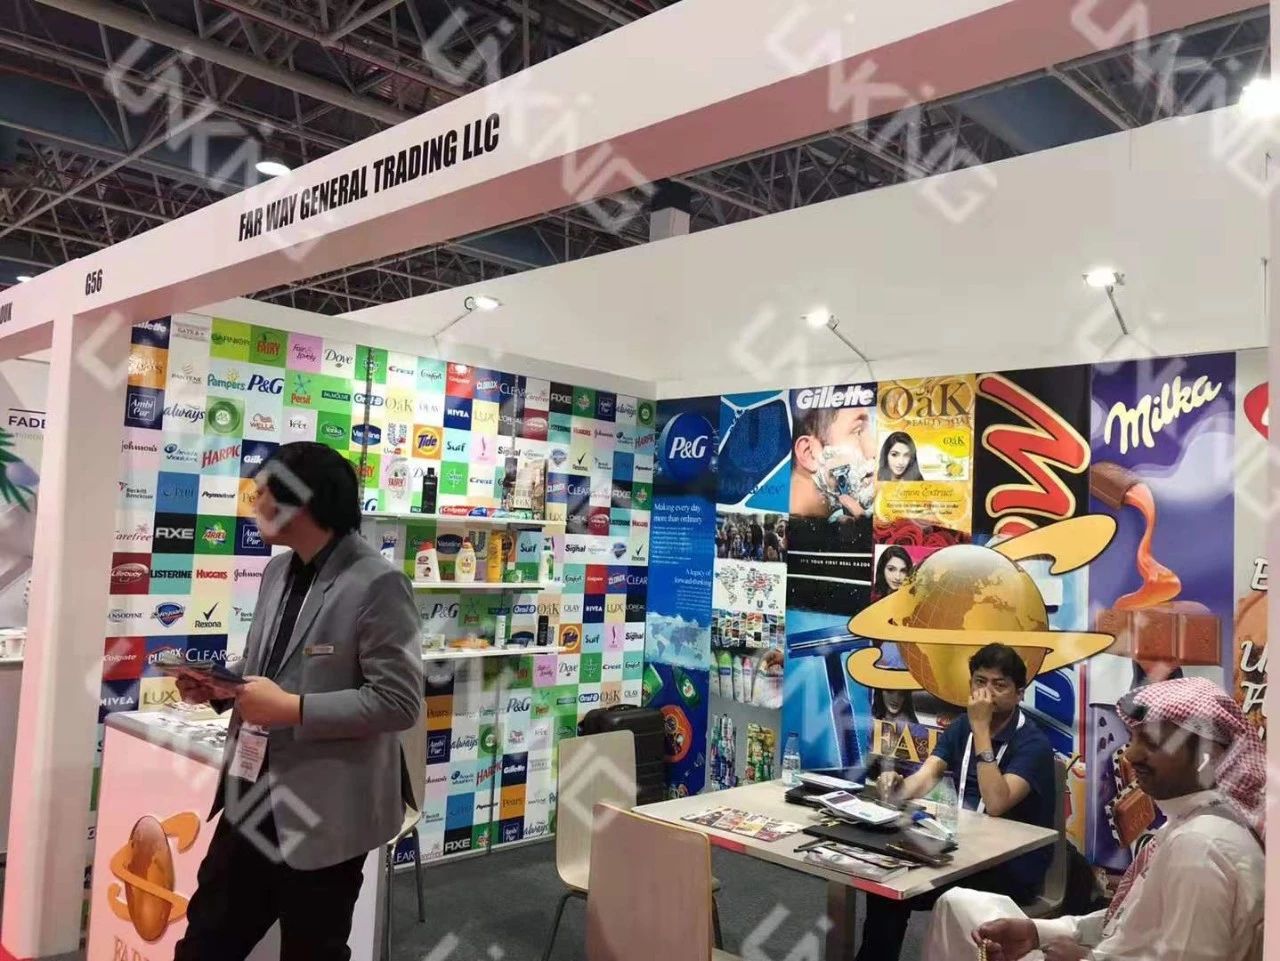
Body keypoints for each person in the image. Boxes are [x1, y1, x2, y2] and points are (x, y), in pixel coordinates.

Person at [173, 442, 423, 960]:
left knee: (312, 948)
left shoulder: (378, 583)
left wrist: (293, 709)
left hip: (325, 811)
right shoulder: (276, 571)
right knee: (205, 941)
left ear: (299, 502)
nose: (252, 505)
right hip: (249, 796)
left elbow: (398, 702)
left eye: (261, 493)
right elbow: (270, 667)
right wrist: (222, 687)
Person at [926, 677, 1264, 961]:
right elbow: (1129, 919)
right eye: (1133, 739)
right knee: (959, 904)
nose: (1130, 755)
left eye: (1152, 742)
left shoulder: (1199, 846)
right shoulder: (1190, 822)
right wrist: (1037, 931)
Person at [860, 643, 1055, 961]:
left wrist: (981, 729)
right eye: (980, 682)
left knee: (909, 882)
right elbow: (927, 776)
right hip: (962, 849)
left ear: (1019, 693)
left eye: (999, 685)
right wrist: (898, 787)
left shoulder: (1033, 744)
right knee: (887, 882)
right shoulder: (963, 726)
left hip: (1010, 866)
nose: (987, 694)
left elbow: (996, 803)